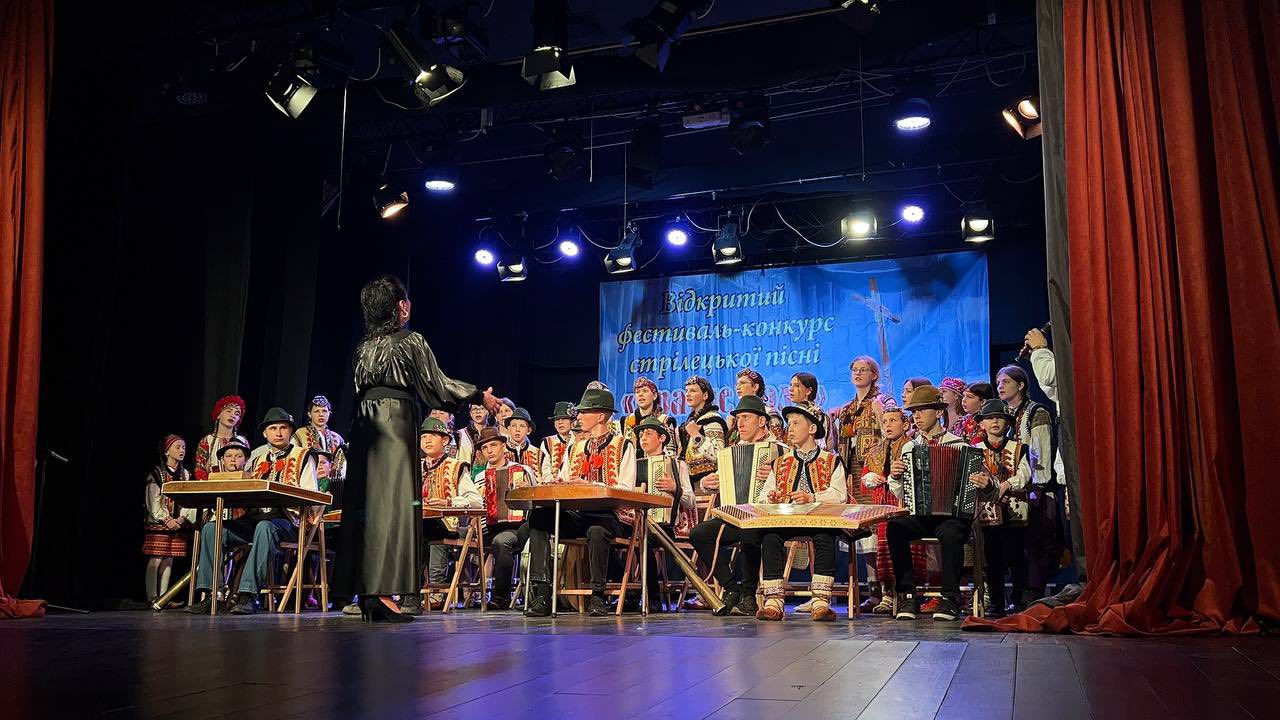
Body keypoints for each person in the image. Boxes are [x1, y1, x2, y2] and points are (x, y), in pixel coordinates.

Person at [332, 274, 498, 624]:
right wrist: (478, 395)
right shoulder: (410, 341)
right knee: (392, 507)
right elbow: (437, 386)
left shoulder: (361, 348)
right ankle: (382, 593)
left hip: (363, 424)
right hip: (394, 421)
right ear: (401, 307)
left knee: (367, 507)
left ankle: (369, 593)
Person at [187, 408, 321, 615]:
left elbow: (311, 496)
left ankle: (248, 595)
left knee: (265, 527)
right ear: (265, 433)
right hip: (256, 519)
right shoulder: (257, 459)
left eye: (283, 428)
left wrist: (281, 495)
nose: (278, 433)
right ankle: (213, 595)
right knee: (212, 529)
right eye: (273, 428)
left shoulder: (304, 457)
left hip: (289, 522)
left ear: (290, 431)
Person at [526, 385, 635, 617]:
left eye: (585, 412)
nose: (579, 416)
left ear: (601, 416)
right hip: (580, 515)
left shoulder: (623, 445)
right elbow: (566, 478)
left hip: (611, 516)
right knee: (539, 517)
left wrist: (591, 485)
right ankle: (543, 592)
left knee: (596, 530)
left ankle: (598, 596)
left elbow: (625, 489)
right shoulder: (575, 448)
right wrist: (560, 483)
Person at [689, 395, 784, 616]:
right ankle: (732, 587)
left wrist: (776, 474)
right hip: (735, 516)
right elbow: (721, 481)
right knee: (699, 534)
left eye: (746, 418)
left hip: (766, 518)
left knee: (749, 530)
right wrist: (707, 483)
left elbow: (789, 481)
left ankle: (748, 594)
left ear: (761, 421)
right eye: (738, 418)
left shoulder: (778, 449)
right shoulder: (732, 451)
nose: (740, 423)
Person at [885, 384, 973, 621]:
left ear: (938, 412)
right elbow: (902, 493)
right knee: (895, 527)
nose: (916, 416)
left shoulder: (959, 445)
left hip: (950, 516)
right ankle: (907, 595)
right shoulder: (910, 447)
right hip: (921, 516)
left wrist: (979, 483)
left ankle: (950, 598)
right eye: (914, 412)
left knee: (952, 533)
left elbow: (973, 487)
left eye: (922, 410)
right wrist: (895, 476)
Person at [755, 401, 846, 621]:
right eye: (789, 424)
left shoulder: (831, 461)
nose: (791, 429)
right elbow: (762, 496)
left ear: (812, 428)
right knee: (770, 537)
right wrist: (771, 497)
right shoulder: (780, 463)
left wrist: (812, 497)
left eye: (796, 423)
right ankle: (774, 602)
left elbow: (840, 495)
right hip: (787, 520)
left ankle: (821, 602)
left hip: (820, 521)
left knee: (825, 537)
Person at [1023, 327, 1086, 606]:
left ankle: (1089, 578)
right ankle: (1085, 578)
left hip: (1075, 451)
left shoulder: (1076, 359)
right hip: (1069, 455)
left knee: (1079, 524)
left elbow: (1050, 376)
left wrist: (1040, 349)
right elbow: (1053, 388)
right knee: (1075, 524)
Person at [400, 417, 481, 615]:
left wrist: (448, 502)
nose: (427, 440)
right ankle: (389, 592)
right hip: (417, 522)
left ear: (445, 440)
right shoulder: (414, 467)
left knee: (418, 531)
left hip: (447, 525)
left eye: (432, 436)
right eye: (423, 437)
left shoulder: (456, 466)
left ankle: (411, 595)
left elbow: (476, 501)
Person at [997, 364, 1060, 606]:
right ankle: (1018, 594)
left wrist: (1037, 488)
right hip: (1011, 489)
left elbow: (1040, 454)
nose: (1000, 386)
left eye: (1006, 382)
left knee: (1038, 543)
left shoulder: (1036, 413)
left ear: (1021, 385)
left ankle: (1034, 595)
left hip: (1035, 488)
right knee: (1013, 545)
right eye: (998, 382)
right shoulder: (1004, 415)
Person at [859, 405, 927, 614]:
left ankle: (910, 594)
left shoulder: (913, 447)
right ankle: (888, 594)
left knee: (910, 549)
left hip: (905, 503)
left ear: (905, 425)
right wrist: (870, 478)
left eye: (893, 420)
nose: (888, 425)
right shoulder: (876, 450)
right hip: (884, 504)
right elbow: (864, 479)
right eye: (885, 421)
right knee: (883, 548)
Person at [971, 400, 1033, 618]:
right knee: (992, 558)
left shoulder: (1019, 448)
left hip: (1015, 510)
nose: (995, 421)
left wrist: (1006, 484)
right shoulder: (975, 450)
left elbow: (1025, 474)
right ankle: (997, 602)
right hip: (988, 513)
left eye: (999, 418)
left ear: (1007, 423)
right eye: (989, 418)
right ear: (982, 424)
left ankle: (1019, 599)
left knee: (1017, 556)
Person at [633, 415, 697, 605]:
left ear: (661, 438)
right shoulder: (634, 465)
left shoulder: (677, 464)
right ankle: (629, 595)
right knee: (613, 537)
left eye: (648, 434)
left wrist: (675, 489)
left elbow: (691, 501)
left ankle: (652, 598)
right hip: (638, 523)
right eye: (641, 435)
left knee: (643, 539)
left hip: (666, 525)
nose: (643, 438)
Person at [471, 427, 534, 610]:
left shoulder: (522, 470)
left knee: (501, 541)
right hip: (486, 527)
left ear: (503, 446)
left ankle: (500, 597)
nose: (489, 451)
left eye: (493, 445)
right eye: (485, 448)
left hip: (516, 528)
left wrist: (526, 491)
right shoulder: (479, 477)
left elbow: (536, 503)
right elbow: (474, 505)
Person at [142, 434, 196, 604]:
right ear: (167, 451)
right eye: (177, 447)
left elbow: (190, 499)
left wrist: (181, 519)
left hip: (178, 523)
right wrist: (166, 519)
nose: (182, 450)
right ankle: (152, 597)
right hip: (160, 523)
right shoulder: (157, 473)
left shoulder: (186, 474)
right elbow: (153, 500)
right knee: (156, 558)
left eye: (184, 447)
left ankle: (164, 597)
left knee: (169, 559)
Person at [830, 356, 888, 503]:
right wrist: (831, 422)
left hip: (875, 464)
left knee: (873, 505)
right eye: (855, 370)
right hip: (851, 466)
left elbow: (891, 433)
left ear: (874, 375)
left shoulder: (883, 401)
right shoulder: (848, 408)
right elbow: (838, 443)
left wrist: (880, 414)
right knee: (855, 507)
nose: (858, 373)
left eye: (863, 370)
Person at [679, 375, 729, 490]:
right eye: (686, 391)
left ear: (705, 395)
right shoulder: (691, 421)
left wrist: (696, 435)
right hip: (692, 487)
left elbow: (719, 455)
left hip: (711, 486)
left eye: (693, 391)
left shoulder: (712, 420)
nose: (687, 394)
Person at [292, 395, 347, 482]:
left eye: (324, 411)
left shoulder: (338, 438)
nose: (321, 414)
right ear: (309, 414)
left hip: (333, 484)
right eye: (316, 411)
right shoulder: (299, 434)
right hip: (307, 480)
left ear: (329, 413)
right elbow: (293, 459)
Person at [194, 395, 248, 480]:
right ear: (218, 415)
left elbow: (247, 467)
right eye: (228, 411)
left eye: (237, 414)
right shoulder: (207, 440)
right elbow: (199, 469)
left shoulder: (242, 441)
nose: (233, 415)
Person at [622, 377, 678, 454]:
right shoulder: (627, 421)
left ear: (654, 395)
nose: (640, 394)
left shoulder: (665, 420)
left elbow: (670, 453)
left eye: (645, 391)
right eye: (637, 392)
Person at [726, 368, 769, 445]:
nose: (738, 387)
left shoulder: (768, 412)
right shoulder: (734, 417)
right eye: (737, 384)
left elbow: (777, 443)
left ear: (755, 387)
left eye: (742, 383)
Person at [538, 402, 576, 481]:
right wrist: (552, 480)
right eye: (557, 419)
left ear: (572, 421)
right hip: (553, 485)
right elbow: (545, 468)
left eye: (564, 418)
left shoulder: (578, 440)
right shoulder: (547, 442)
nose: (560, 422)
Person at [503, 408, 543, 481]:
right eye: (514, 425)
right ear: (508, 429)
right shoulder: (501, 451)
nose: (517, 429)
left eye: (522, 426)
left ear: (528, 430)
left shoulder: (537, 453)